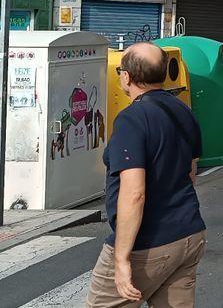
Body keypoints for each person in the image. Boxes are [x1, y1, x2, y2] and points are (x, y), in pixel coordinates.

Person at [87, 42, 206, 308]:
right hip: (189, 233)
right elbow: (191, 172)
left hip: (149, 242)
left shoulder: (131, 119)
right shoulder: (183, 111)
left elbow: (134, 193)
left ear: (126, 76)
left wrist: (121, 259)